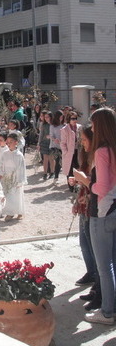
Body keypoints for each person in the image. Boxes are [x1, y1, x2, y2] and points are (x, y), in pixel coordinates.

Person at [74, 108, 116, 325]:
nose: (92, 128)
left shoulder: (102, 151)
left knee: (104, 267)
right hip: (114, 210)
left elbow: (103, 186)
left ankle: (108, 311)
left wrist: (84, 180)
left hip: (102, 211)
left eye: (94, 124)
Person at [69, 125, 100, 311]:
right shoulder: (86, 155)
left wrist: (83, 181)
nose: (81, 142)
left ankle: (98, 284)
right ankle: (92, 273)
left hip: (93, 205)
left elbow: (98, 184)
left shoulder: (101, 156)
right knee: (84, 242)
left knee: (94, 246)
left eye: (84, 139)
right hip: (84, 202)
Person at [0, 133, 27, 222]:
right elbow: (1, 165)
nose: (9, 143)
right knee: (9, 196)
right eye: (8, 141)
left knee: (17, 196)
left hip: (16, 178)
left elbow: (21, 168)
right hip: (6, 178)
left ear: (16, 143)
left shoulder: (19, 155)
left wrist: (20, 181)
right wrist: (0, 174)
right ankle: (10, 213)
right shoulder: (4, 153)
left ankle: (20, 212)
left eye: (11, 142)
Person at [61, 111, 81, 191]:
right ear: (69, 119)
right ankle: (71, 187)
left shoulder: (80, 127)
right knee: (69, 170)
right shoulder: (64, 129)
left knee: (78, 168)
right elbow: (63, 143)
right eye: (72, 118)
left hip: (78, 151)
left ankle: (78, 185)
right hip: (69, 152)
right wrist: (65, 152)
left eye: (75, 118)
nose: (74, 120)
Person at [49, 110, 64, 185]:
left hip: (62, 146)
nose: (61, 118)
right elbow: (51, 135)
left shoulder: (64, 125)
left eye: (62, 117)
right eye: (60, 117)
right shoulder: (52, 126)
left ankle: (57, 175)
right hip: (54, 146)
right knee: (57, 161)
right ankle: (56, 177)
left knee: (61, 162)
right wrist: (55, 139)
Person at [38, 110, 53, 180]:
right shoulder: (43, 125)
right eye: (45, 117)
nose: (46, 118)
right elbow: (41, 135)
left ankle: (52, 172)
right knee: (45, 158)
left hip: (52, 143)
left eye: (47, 117)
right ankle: (45, 173)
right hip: (44, 143)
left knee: (51, 158)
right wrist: (39, 143)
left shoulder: (53, 125)